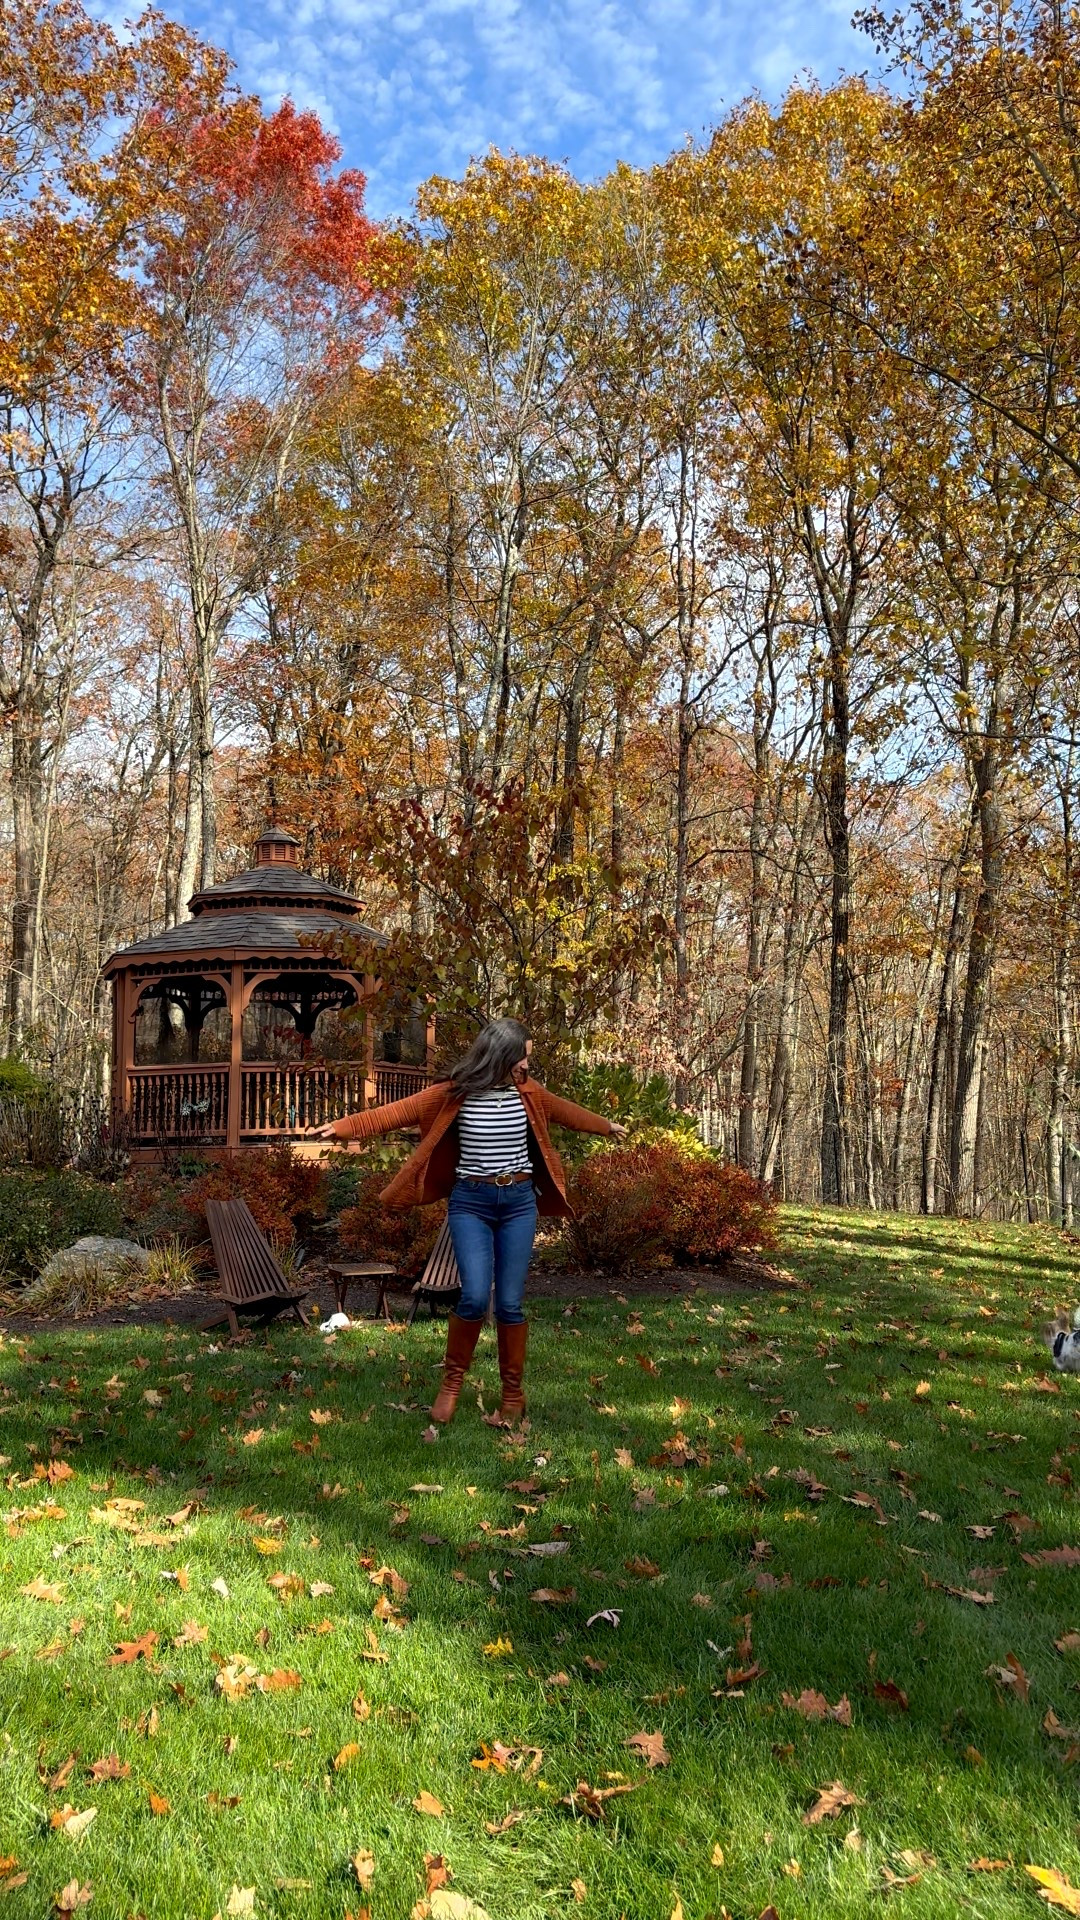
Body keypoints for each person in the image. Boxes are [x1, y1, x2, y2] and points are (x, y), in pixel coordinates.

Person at [312, 1019, 627, 1427]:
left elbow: (567, 1111)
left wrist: (606, 1126)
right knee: (475, 1297)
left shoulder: (529, 1093)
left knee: (509, 1303)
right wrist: (343, 1127)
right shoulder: (454, 1093)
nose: (527, 1063)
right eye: (524, 1055)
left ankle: (512, 1394)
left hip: (518, 1204)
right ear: (504, 1055)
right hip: (471, 1204)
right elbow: (396, 1112)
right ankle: (452, 1383)